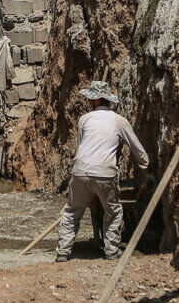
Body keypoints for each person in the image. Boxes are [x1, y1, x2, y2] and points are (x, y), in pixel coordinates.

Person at [55, 81, 149, 262]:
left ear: (96, 101)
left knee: (72, 211)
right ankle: (111, 251)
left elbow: (81, 147)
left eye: (90, 99)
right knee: (113, 211)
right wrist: (147, 166)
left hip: (81, 170)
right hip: (105, 172)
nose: (89, 102)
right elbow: (137, 149)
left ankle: (63, 252)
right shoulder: (119, 121)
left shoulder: (84, 119)